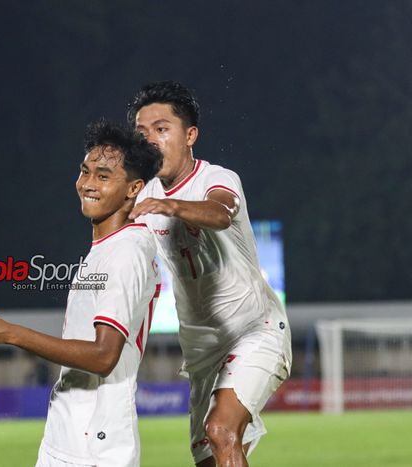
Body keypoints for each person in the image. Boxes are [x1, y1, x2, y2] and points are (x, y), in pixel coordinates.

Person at [0, 119, 162, 467]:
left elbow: (102, 356)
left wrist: (10, 333)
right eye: (84, 172)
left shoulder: (125, 253)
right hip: (69, 435)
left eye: (104, 176)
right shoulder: (108, 248)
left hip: (93, 445)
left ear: (133, 188)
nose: (88, 184)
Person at [127, 81, 292, 467]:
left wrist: (172, 207)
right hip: (202, 353)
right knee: (210, 458)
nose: (150, 140)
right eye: (142, 133)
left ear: (190, 136)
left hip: (256, 329)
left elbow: (220, 212)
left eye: (162, 129)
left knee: (222, 431)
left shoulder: (217, 178)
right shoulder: (140, 195)